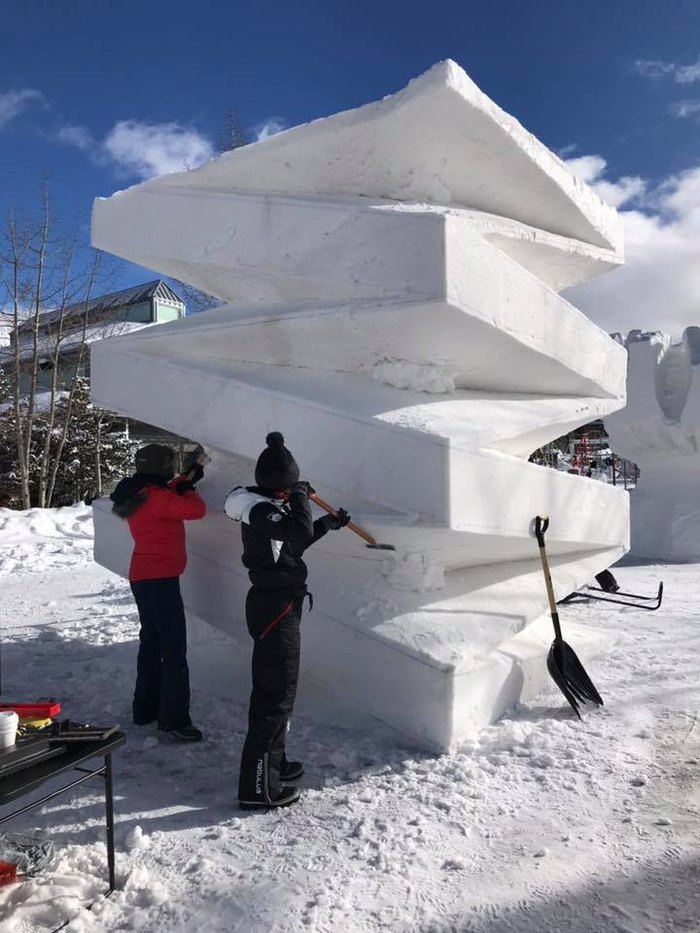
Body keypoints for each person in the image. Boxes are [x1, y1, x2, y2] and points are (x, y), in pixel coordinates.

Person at [224, 432, 351, 810]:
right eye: (288, 487)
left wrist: (324, 525)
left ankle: (274, 763)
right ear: (281, 485)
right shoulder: (260, 509)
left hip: (281, 603)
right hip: (272, 607)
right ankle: (258, 787)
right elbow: (292, 529)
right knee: (273, 696)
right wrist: (299, 495)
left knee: (283, 692)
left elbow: (291, 544)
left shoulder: (268, 507)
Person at [110, 444, 206, 742]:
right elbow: (196, 510)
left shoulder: (139, 492)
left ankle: (145, 709)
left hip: (143, 577)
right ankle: (174, 720)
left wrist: (182, 481)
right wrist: (188, 488)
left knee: (151, 644)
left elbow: (164, 495)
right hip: (162, 581)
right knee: (174, 651)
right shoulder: (159, 497)